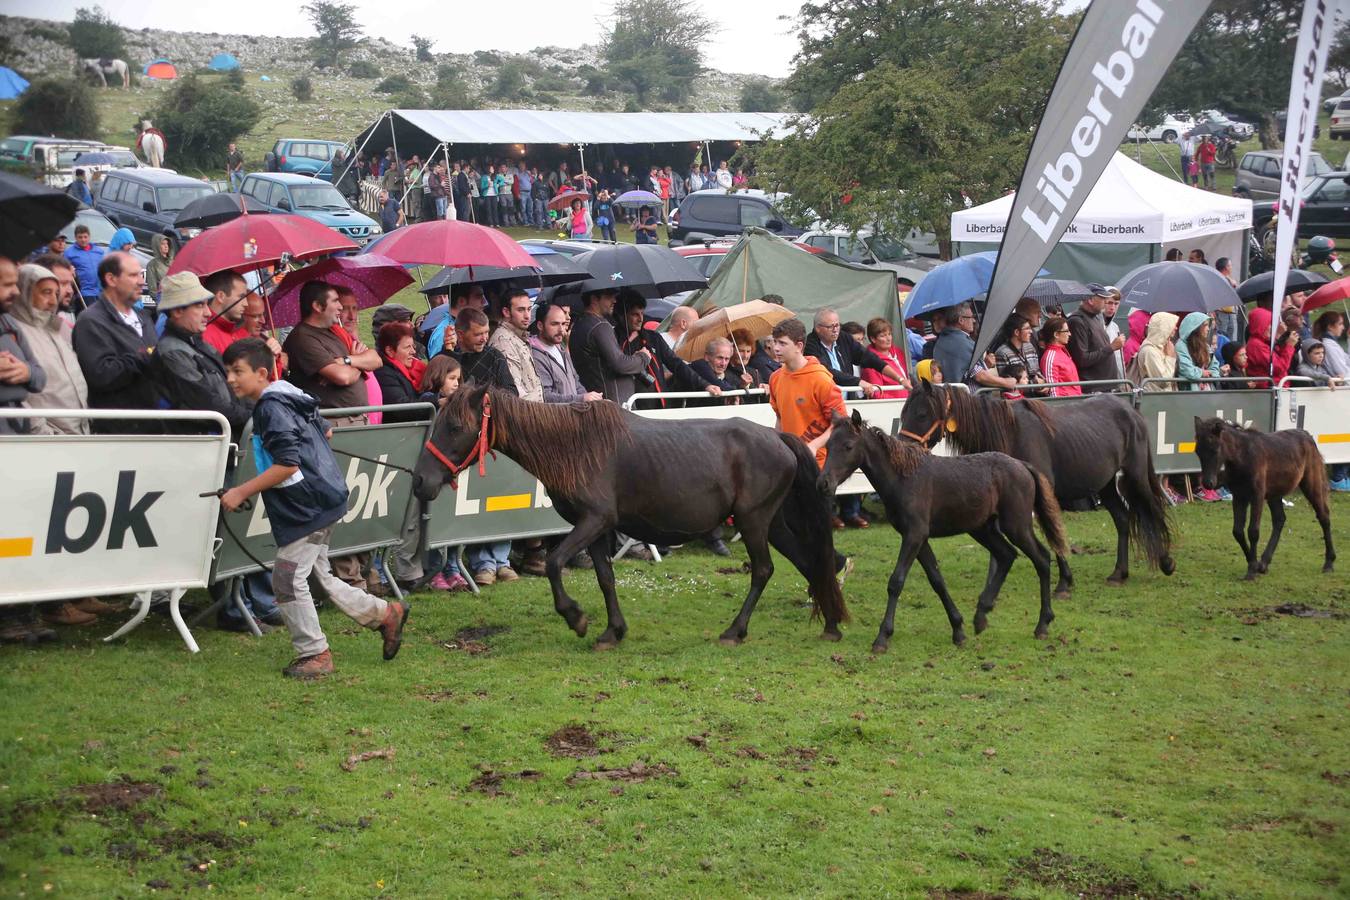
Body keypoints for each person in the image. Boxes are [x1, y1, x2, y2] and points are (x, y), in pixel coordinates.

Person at [219, 338, 409, 679]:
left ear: (262, 373)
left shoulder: (270, 408)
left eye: (238, 371)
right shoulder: (290, 395)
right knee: (318, 576)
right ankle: (384, 614)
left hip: (306, 508)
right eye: (227, 372)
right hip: (323, 498)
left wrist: (240, 491)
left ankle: (315, 654)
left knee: (287, 580)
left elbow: (287, 465)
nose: (230, 379)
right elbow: (328, 431)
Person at [154, 271, 255, 438]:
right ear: (178, 311)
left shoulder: (199, 344)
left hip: (222, 439)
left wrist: (259, 410)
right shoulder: (172, 352)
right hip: (200, 446)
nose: (208, 313)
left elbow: (232, 388)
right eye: (200, 305)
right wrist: (254, 418)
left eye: (207, 305)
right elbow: (207, 404)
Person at [71, 252, 162, 433]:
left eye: (140, 275)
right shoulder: (91, 321)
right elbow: (101, 374)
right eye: (133, 275)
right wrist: (145, 357)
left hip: (152, 424)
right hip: (118, 431)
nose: (141, 281)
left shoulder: (144, 317)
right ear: (111, 279)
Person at [767, 317, 846, 473]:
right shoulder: (775, 378)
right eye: (775, 342)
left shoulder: (821, 379)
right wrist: (777, 445)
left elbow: (841, 424)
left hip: (819, 465)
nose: (776, 348)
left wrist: (814, 446)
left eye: (782, 343)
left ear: (799, 346)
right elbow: (780, 418)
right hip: (789, 462)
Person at [569, 285, 650, 403]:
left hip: (601, 403)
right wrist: (643, 357)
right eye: (609, 296)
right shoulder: (600, 326)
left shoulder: (580, 324)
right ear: (594, 299)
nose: (614, 300)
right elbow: (620, 363)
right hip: (614, 407)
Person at [806, 308, 904, 398]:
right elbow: (826, 371)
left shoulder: (843, 337)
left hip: (847, 402)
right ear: (818, 328)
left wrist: (900, 379)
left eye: (837, 325)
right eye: (830, 327)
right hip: (823, 403)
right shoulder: (810, 346)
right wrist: (858, 382)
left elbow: (869, 357)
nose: (835, 330)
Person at [531, 302, 602, 404]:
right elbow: (545, 396)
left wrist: (590, 400)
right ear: (540, 325)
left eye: (563, 324)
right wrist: (581, 398)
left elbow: (576, 383)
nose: (561, 330)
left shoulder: (561, 348)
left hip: (574, 416)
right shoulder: (535, 355)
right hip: (556, 418)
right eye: (554, 324)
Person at [488, 289, 544, 402]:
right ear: (506, 312)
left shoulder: (518, 336)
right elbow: (517, 394)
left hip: (534, 412)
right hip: (524, 414)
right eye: (521, 310)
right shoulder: (503, 341)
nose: (527, 316)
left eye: (529, 309)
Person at [1066, 283, 1123, 389]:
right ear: (1091, 300)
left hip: (1107, 388)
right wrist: (1112, 347)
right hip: (1093, 391)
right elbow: (1082, 360)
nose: (1106, 302)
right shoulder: (1077, 321)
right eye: (1103, 298)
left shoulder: (1096, 318)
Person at [372, 321, 427, 418]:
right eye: (407, 347)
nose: (413, 352)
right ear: (390, 351)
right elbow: (401, 409)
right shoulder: (383, 373)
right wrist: (434, 402)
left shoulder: (412, 368)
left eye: (413, 346)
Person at [201, 270, 249, 354]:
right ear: (221, 296)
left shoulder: (242, 332)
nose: (246, 304)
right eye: (241, 297)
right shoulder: (204, 335)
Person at [859, 317, 910, 397]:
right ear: (873, 339)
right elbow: (876, 393)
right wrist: (898, 402)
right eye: (883, 336)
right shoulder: (870, 363)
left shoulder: (899, 352)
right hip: (893, 406)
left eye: (889, 334)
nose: (888, 338)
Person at [1245, 306, 1297, 383]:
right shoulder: (1256, 345)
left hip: (1276, 385)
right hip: (1269, 388)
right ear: (1261, 325)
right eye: (1269, 324)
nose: (1273, 328)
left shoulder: (1263, 342)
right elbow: (1279, 368)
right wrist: (1289, 346)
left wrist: (1279, 338)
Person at [688, 337, 745, 404]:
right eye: (720, 358)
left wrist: (743, 385)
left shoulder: (730, 375)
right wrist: (734, 393)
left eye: (727, 359)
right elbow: (716, 382)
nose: (723, 364)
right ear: (707, 356)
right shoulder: (699, 366)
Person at [1132, 312, 1179, 389]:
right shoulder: (1149, 351)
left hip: (1163, 397)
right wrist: (1170, 358)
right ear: (1164, 327)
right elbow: (1163, 381)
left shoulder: (1162, 346)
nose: (1176, 328)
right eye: (1172, 325)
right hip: (1154, 398)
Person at [1039, 316, 1082, 396]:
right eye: (1066, 331)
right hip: (1065, 405)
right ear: (1056, 334)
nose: (1070, 334)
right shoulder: (1050, 357)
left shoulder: (1062, 351)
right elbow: (1053, 391)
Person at [1175, 312, 1218, 390]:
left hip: (1208, 390)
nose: (1208, 329)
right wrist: (1202, 373)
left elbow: (1214, 366)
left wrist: (1211, 374)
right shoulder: (1181, 346)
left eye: (1208, 325)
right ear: (1195, 327)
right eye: (1205, 325)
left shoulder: (1206, 345)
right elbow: (1187, 369)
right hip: (1189, 393)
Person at [64, 225, 105, 303]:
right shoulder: (69, 253)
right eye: (80, 237)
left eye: (85, 237)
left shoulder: (99, 251)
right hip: (83, 293)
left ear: (89, 237)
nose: (83, 240)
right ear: (75, 238)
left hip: (99, 292)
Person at [1312, 310, 1349, 378]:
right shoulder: (1328, 346)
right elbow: (1342, 372)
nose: (1343, 327)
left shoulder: (1331, 343)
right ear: (1330, 327)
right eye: (1340, 324)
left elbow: (1348, 361)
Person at [144, 235, 173, 299]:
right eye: (163, 244)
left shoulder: (173, 262)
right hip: (164, 300)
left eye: (167, 244)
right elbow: (153, 290)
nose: (166, 246)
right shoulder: (152, 265)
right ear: (157, 246)